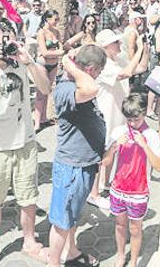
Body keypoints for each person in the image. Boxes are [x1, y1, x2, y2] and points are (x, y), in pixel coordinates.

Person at [0, 21, 52, 267]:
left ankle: (29, 241)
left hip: (24, 140)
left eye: (10, 39)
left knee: (28, 197)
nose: (6, 45)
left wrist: (29, 61)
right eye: (1, 40)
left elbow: (45, 88)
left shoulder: (22, 61)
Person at [44, 46, 108, 267]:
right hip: (71, 167)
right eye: (98, 71)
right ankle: (54, 262)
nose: (98, 75)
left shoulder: (76, 80)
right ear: (90, 69)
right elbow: (92, 89)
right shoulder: (65, 88)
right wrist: (71, 66)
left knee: (71, 215)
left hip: (84, 163)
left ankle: (71, 252)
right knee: (61, 222)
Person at [101, 94, 160, 267]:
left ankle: (134, 261)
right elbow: (105, 162)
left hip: (139, 192)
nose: (132, 123)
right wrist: (114, 147)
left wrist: (144, 145)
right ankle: (121, 256)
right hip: (118, 189)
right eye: (129, 119)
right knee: (120, 225)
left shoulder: (151, 135)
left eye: (136, 119)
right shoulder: (119, 131)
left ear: (144, 113)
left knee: (135, 229)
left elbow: (159, 166)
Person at [86, 29, 146, 210]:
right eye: (115, 43)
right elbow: (126, 73)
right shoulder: (102, 65)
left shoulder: (117, 59)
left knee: (113, 147)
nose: (119, 45)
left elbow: (140, 68)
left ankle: (105, 184)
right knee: (101, 152)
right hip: (105, 112)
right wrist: (140, 48)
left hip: (118, 111)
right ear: (105, 47)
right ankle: (93, 194)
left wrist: (145, 49)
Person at [35, 9, 65, 130]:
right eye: (55, 19)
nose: (57, 21)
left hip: (53, 64)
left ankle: (44, 118)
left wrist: (57, 53)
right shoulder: (41, 33)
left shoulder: (56, 32)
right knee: (40, 93)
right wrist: (58, 52)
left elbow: (61, 46)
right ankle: (37, 122)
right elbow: (44, 52)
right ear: (47, 19)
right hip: (42, 64)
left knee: (47, 91)